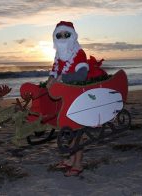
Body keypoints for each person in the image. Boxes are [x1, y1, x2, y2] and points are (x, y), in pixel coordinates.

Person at [46, 21, 89, 177]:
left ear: (73, 36)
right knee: (70, 131)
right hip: (65, 99)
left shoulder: (79, 54)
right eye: (59, 35)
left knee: (77, 132)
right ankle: (71, 160)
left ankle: (78, 164)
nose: (63, 38)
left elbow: (82, 75)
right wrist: (51, 79)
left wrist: (62, 78)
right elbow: (54, 71)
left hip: (79, 98)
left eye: (66, 34)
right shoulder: (58, 55)